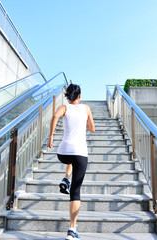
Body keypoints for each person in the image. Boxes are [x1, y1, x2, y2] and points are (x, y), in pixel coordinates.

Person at [47, 83, 95, 240]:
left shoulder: (64, 108)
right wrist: (84, 123)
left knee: (71, 159)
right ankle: (72, 230)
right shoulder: (86, 108)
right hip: (80, 153)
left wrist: (51, 136)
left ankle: (66, 178)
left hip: (63, 152)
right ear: (79, 96)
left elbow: (54, 116)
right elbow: (92, 128)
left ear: (68, 96)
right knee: (76, 192)